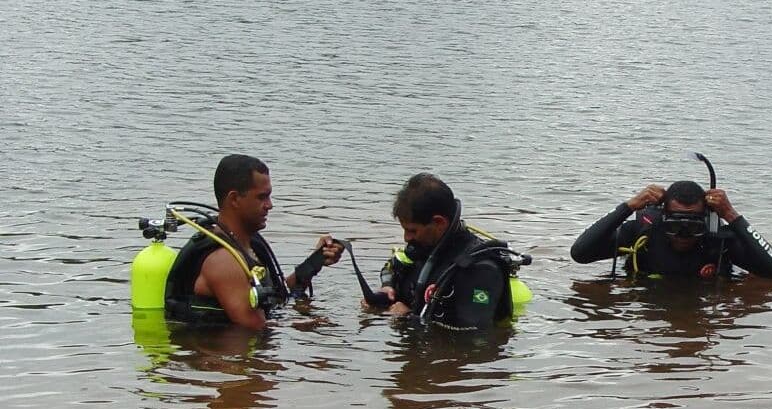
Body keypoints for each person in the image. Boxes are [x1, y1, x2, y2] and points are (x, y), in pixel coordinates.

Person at [165, 154, 344, 331]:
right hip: (222, 357)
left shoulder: (248, 243)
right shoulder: (222, 261)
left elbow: (278, 297)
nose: (270, 205)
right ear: (234, 199)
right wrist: (315, 325)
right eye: (262, 197)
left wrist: (314, 262)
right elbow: (259, 328)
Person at [375, 173, 526, 331]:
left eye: (412, 230)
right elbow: (392, 266)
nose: (406, 238)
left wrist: (408, 318)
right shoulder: (423, 247)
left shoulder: (481, 270)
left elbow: (473, 337)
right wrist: (387, 287)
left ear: (439, 222)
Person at [571, 181, 772, 280]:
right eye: (675, 226)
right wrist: (629, 206)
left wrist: (730, 214)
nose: (683, 235)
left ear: (705, 222)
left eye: (693, 227)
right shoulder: (643, 233)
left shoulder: (718, 241)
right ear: (662, 218)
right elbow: (580, 253)